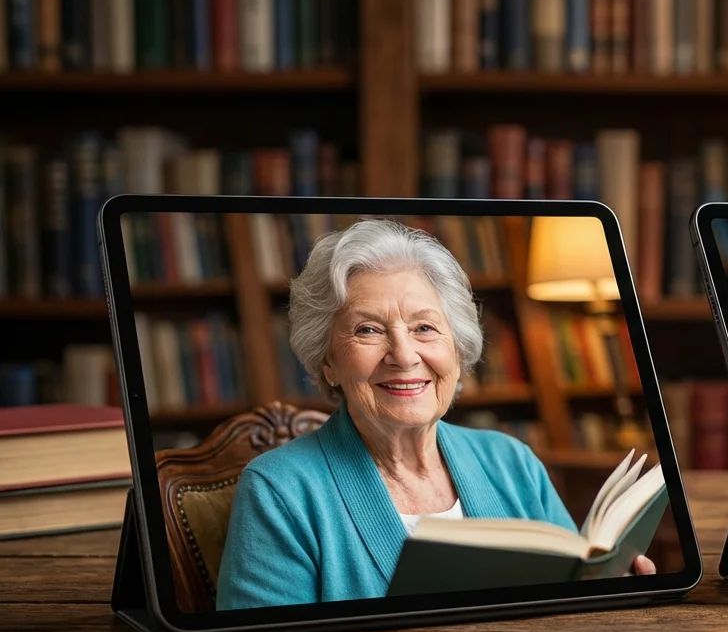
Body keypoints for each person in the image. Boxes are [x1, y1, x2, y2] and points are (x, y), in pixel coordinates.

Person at [217, 218, 653, 610]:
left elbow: (570, 608)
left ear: (457, 350)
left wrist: (612, 597)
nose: (404, 355)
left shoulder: (511, 461)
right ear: (327, 361)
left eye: (424, 328)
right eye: (368, 329)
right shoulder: (279, 490)